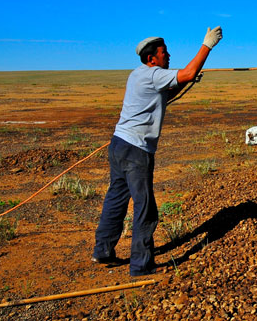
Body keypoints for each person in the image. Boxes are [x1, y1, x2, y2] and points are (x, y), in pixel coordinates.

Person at [92, 27, 223, 276]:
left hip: (119, 144)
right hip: (135, 150)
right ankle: (141, 265)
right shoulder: (153, 75)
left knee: (115, 201)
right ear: (152, 58)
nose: (168, 55)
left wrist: (186, 81)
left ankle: (102, 251)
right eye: (164, 53)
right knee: (145, 208)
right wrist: (207, 45)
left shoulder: (138, 74)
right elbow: (187, 72)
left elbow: (172, 87)